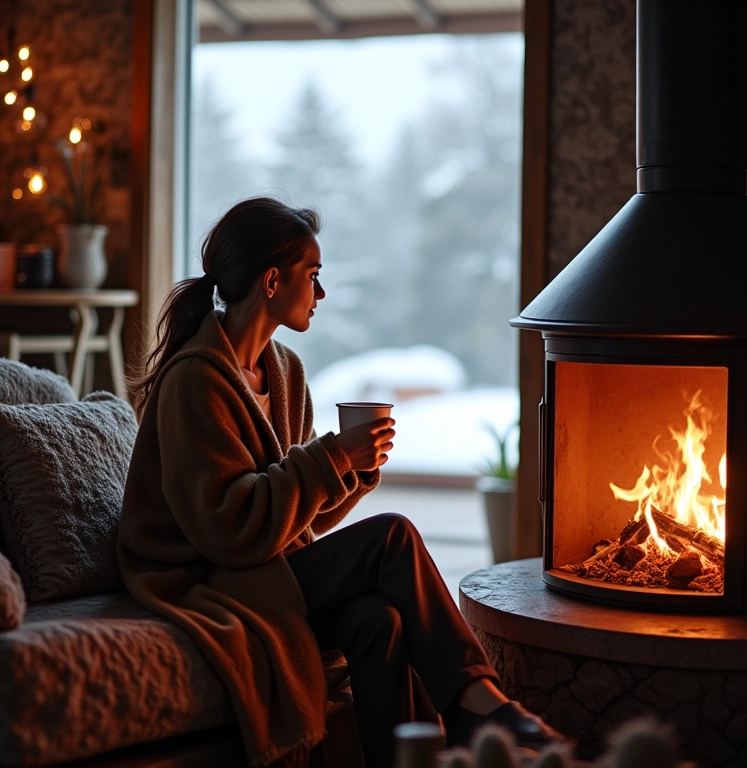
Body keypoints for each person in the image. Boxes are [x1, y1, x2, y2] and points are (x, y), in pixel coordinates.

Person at [117, 197, 565, 768]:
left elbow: (293, 519)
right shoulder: (195, 381)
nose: (321, 292)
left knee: (379, 620)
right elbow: (230, 531)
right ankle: (477, 701)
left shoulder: (285, 371)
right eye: (313, 275)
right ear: (272, 281)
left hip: (262, 564)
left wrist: (351, 469)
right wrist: (332, 457)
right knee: (392, 535)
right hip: (203, 576)